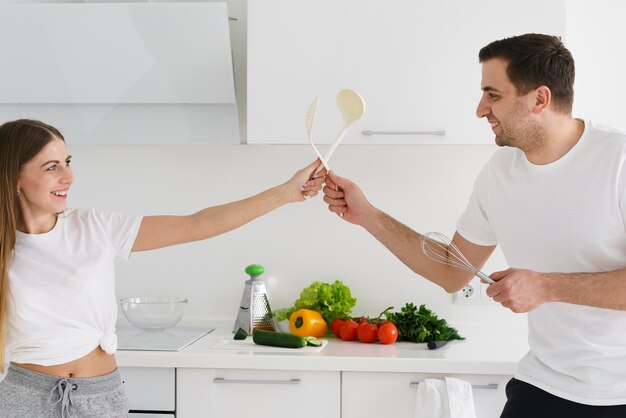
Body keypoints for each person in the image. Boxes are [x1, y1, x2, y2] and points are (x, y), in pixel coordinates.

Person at [323, 33, 626, 417]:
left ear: (540, 99)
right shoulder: (499, 173)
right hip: (544, 384)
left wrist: (548, 286)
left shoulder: (617, 160)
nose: (480, 109)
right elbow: (451, 270)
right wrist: (367, 214)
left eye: (493, 94)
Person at [0, 119, 326, 417]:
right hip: (25, 398)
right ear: (15, 177)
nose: (69, 177)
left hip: (99, 397)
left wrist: (286, 192)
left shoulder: (92, 226)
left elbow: (197, 224)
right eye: (52, 167)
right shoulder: (5, 249)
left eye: (68, 163)